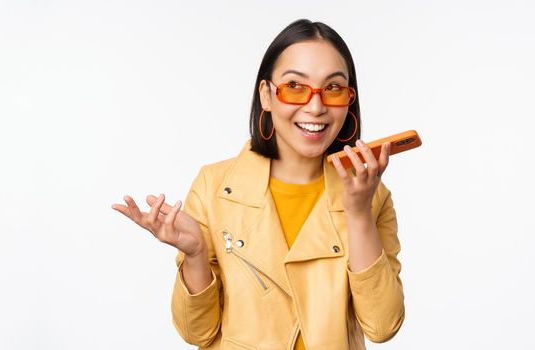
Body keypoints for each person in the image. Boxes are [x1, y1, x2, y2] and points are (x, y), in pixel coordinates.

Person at [111, 19, 405, 349]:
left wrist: (359, 213)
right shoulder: (214, 187)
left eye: (334, 88)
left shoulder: (372, 196)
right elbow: (197, 333)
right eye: (295, 86)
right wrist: (194, 255)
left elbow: (382, 326)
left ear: (349, 99)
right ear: (266, 95)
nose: (316, 106)